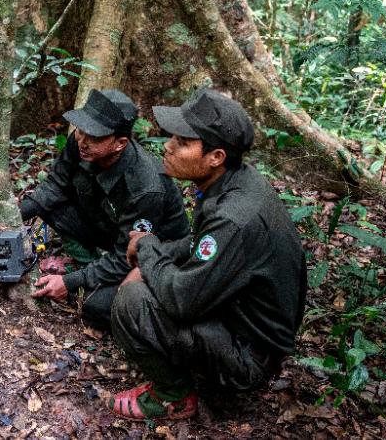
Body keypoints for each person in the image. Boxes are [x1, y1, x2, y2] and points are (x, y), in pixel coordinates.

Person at [109, 88, 307, 420]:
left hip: (247, 358)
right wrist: (154, 251)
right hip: (238, 323)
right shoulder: (234, 183)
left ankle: (173, 397)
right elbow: (199, 244)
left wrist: (146, 250)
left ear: (216, 156)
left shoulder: (234, 216)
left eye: (183, 143)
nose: (168, 146)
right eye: (172, 137)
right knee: (144, 278)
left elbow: (181, 300)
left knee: (131, 301)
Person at [25, 88, 190, 330]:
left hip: (150, 253)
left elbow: (127, 256)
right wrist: (10, 218)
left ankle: (93, 276)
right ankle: (87, 264)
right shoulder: (80, 142)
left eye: (93, 136)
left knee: (97, 306)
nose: (82, 140)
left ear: (120, 143)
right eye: (80, 130)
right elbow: (55, 186)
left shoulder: (145, 187)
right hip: (106, 226)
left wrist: (69, 282)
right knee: (49, 205)